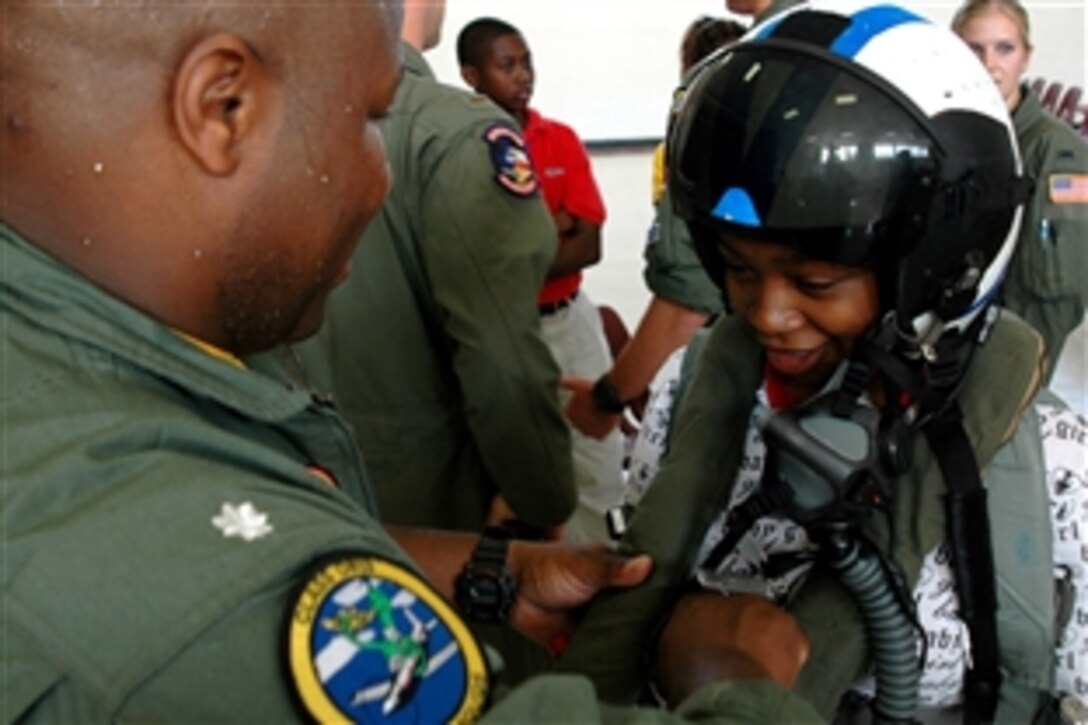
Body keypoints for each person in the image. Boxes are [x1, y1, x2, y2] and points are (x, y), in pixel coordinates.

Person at [1, 2, 825, 721]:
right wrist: (742, 677)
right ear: (223, 105)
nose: (381, 177)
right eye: (369, 118)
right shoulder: (199, 607)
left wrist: (491, 572)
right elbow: (210, 576)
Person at [557, 2, 1083, 721]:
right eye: (740, 270)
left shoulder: (1044, 460)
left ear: (937, 267)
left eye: (816, 283)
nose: (767, 315)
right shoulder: (696, 393)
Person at [297, 1, 576, 540]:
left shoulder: (243, 127)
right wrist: (541, 498)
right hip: (442, 519)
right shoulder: (453, 133)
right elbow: (502, 358)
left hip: (287, 505)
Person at [457, 17, 625, 546]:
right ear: (471, 75)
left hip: (568, 320)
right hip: (503, 327)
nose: (524, 75)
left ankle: (594, 562)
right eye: (507, 65)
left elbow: (590, 243)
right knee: (511, 457)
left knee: (596, 452)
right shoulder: (460, 150)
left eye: (527, 61)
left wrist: (512, 244)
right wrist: (552, 229)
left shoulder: (561, 140)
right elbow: (466, 251)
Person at [952, 0, 1087, 386]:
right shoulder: (960, 132)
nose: (989, 64)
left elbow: (1054, 292)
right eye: (974, 49)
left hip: (999, 353)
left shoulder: (1055, 154)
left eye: (1005, 48)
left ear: (1026, 57)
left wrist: (1017, 381)